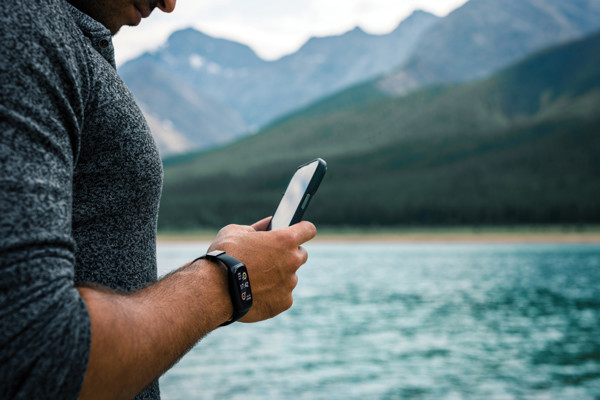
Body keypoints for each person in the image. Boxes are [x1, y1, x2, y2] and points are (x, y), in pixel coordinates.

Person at [0, 0, 317, 399]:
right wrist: (228, 279)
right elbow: (35, 355)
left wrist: (227, 267)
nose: (169, 4)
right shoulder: (24, 26)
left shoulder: (60, 35)